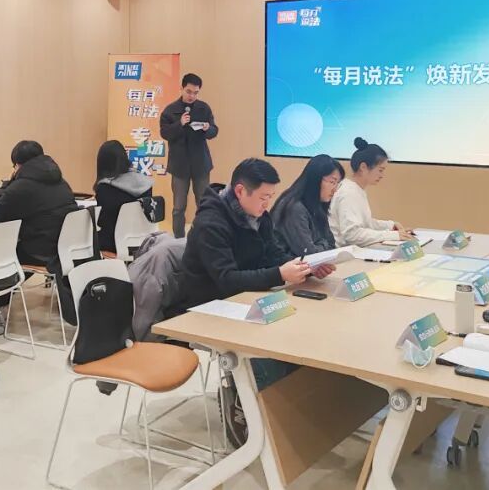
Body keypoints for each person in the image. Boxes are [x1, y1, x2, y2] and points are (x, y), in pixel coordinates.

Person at [169, 158, 333, 447]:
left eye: (270, 197)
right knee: (268, 348)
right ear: (240, 191)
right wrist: (279, 274)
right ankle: (250, 409)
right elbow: (226, 279)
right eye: (263, 197)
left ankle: (288, 413)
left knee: (301, 333)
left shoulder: (259, 216)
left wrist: (304, 267)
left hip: (246, 297)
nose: (267, 204)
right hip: (209, 304)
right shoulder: (211, 222)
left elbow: (274, 254)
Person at [0, 141, 78, 267]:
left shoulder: (22, 186)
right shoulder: (60, 180)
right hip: (66, 247)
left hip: (40, 251)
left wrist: (8, 182)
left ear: (17, 165)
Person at [160, 73, 219, 238]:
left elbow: (214, 131)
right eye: (189, 91)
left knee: (204, 205)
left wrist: (208, 128)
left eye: (195, 93)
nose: (192, 96)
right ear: (182, 88)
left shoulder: (204, 108)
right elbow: (164, 133)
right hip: (179, 166)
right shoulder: (170, 111)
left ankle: (203, 238)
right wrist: (179, 124)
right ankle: (178, 240)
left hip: (201, 164)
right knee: (179, 207)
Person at [328, 137, 413, 247]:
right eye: (380, 170)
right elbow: (352, 235)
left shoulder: (355, 189)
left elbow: (365, 223)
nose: (382, 175)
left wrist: (390, 226)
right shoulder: (348, 193)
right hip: (343, 253)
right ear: (363, 167)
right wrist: (392, 235)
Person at [271, 154, 345, 256]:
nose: (335, 189)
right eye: (332, 182)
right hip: (290, 265)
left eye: (337, 183)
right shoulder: (294, 208)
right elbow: (308, 253)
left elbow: (332, 244)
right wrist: (323, 243)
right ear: (315, 179)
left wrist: (320, 245)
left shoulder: (317, 205)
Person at [94, 140, 153, 254]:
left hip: (113, 242)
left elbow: (103, 220)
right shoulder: (145, 183)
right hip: (143, 241)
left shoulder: (105, 187)